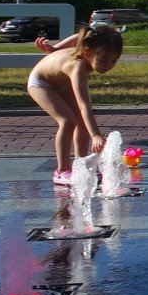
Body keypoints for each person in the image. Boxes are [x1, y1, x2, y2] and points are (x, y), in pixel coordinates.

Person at [28, 24, 124, 185]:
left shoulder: (87, 43)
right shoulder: (77, 66)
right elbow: (84, 105)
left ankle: (82, 165)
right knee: (67, 121)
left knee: (81, 122)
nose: (108, 65)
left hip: (60, 82)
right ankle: (62, 171)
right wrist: (96, 135)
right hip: (41, 84)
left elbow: (80, 36)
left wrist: (54, 48)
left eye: (114, 61)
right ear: (87, 52)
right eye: (103, 60)